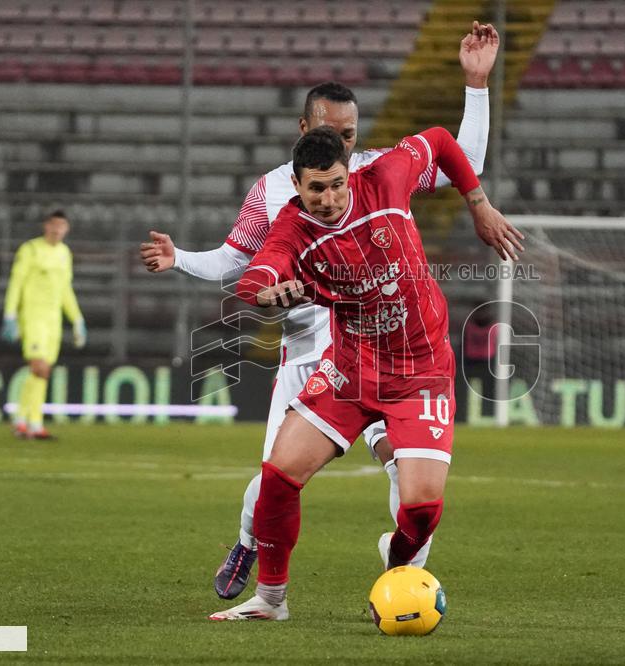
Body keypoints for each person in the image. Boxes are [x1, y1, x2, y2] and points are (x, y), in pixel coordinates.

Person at [140, 22, 500, 601]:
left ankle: (401, 573)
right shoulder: (274, 194)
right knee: (275, 479)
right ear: (305, 130)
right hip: (307, 355)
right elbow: (239, 265)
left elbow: (465, 159)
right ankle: (248, 549)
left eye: (351, 135)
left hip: (376, 349)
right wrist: (187, 260)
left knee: (405, 473)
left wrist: (475, 85)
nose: (342, 148)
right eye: (331, 134)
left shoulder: (376, 173)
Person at [209, 124, 523, 621]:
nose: (329, 197)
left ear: (348, 174)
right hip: (350, 370)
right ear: (297, 186)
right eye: (316, 188)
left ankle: (397, 567)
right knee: (277, 477)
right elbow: (260, 271)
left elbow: (441, 139)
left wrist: (478, 203)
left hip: (421, 371)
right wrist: (266, 292)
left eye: (336, 183)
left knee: (421, 512)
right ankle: (271, 599)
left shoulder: (386, 179)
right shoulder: (293, 226)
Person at [1, 210, 86, 440]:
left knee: (42, 373)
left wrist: (77, 319)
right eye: (53, 224)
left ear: (67, 229)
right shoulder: (30, 250)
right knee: (39, 367)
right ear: (45, 226)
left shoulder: (64, 253)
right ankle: (22, 421)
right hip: (33, 316)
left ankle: (33, 424)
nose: (57, 229)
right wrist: (10, 315)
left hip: (53, 321)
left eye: (62, 225)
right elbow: (16, 283)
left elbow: (65, 290)